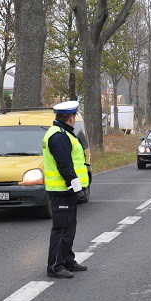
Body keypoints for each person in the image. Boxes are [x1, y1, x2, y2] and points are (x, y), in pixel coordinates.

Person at [43, 101, 90, 279]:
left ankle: (67, 260)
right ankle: (54, 266)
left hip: (65, 190)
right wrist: (77, 189)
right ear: (71, 118)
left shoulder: (63, 133)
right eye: (74, 117)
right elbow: (65, 166)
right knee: (61, 228)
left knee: (69, 227)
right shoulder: (59, 136)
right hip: (62, 190)